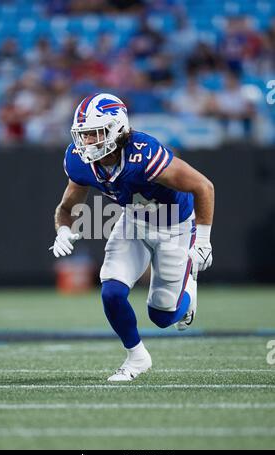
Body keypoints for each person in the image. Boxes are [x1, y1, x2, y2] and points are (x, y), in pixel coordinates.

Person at [51, 93, 214, 381]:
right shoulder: (79, 160)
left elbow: (203, 187)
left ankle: (188, 290)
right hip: (133, 221)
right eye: (83, 135)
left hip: (175, 226)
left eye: (94, 134)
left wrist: (203, 240)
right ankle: (137, 358)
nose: (86, 143)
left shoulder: (145, 153)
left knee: (162, 317)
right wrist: (63, 229)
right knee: (112, 290)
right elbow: (67, 207)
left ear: (117, 128)